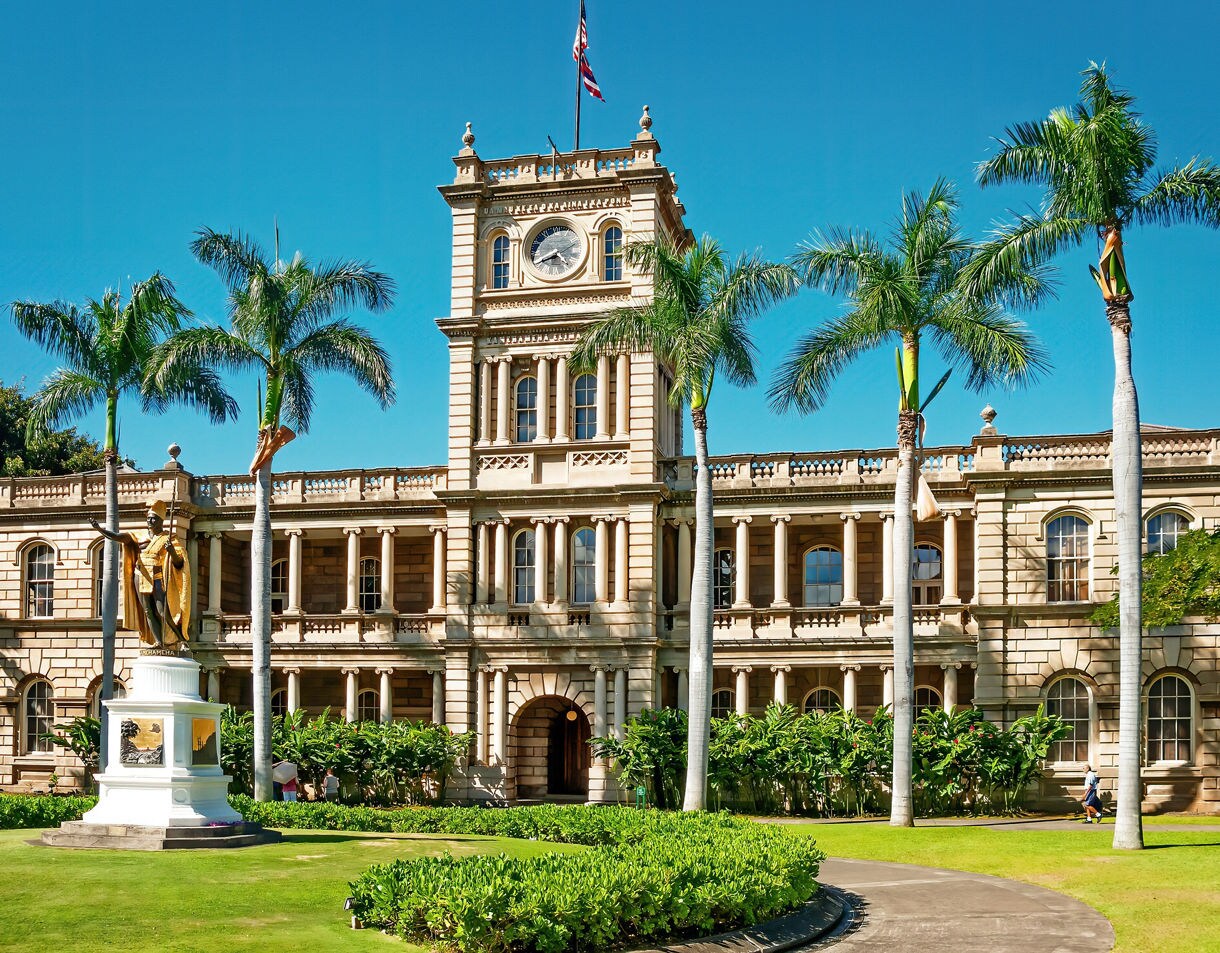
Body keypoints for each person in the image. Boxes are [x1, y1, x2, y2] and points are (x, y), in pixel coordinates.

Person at [89, 498, 191, 649]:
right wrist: (100, 529)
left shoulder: (168, 538)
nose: (150, 520)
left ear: (161, 520)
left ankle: (181, 639)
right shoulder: (139, 536)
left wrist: (171, 552)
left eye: (154, 518)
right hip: (140, 576)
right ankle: (158, 642)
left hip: (157, 577)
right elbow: (118, 537)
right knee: (148, 611)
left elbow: (179, 563)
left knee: (163, 612)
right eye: (149, 517)